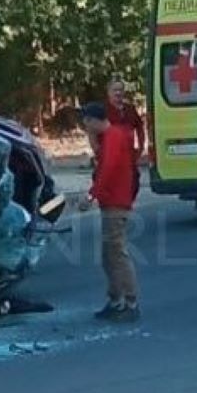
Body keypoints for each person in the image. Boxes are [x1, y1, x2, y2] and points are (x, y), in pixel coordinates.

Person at [78, 102, 140, 323]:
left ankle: (130, 302)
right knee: (109, 255)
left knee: (117, 253)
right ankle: (117, 299)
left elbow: (108, 169)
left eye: (86, 123)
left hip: (116, 202)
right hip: (113, 201)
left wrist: (91, 195)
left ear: (94, 120)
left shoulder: (113, 137)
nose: (85, 128)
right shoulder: (111, 137)